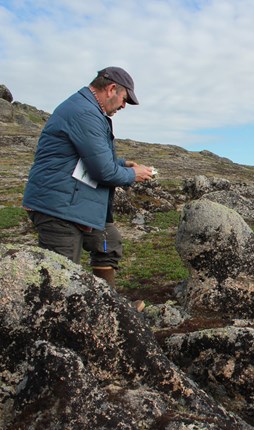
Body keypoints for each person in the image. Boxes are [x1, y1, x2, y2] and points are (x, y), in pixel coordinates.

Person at [22, 66, 153, 287]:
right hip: (58, 210)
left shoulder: (88, 109)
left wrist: (123, 164)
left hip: (77, 205)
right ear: (111, 89)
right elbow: (104, 171)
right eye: (124, 99)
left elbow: (86, 158)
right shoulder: (85, 112)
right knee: (60, 277)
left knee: (108, 241)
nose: (123, 106)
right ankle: (64, 318)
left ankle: (107, 305)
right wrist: (131, 174)